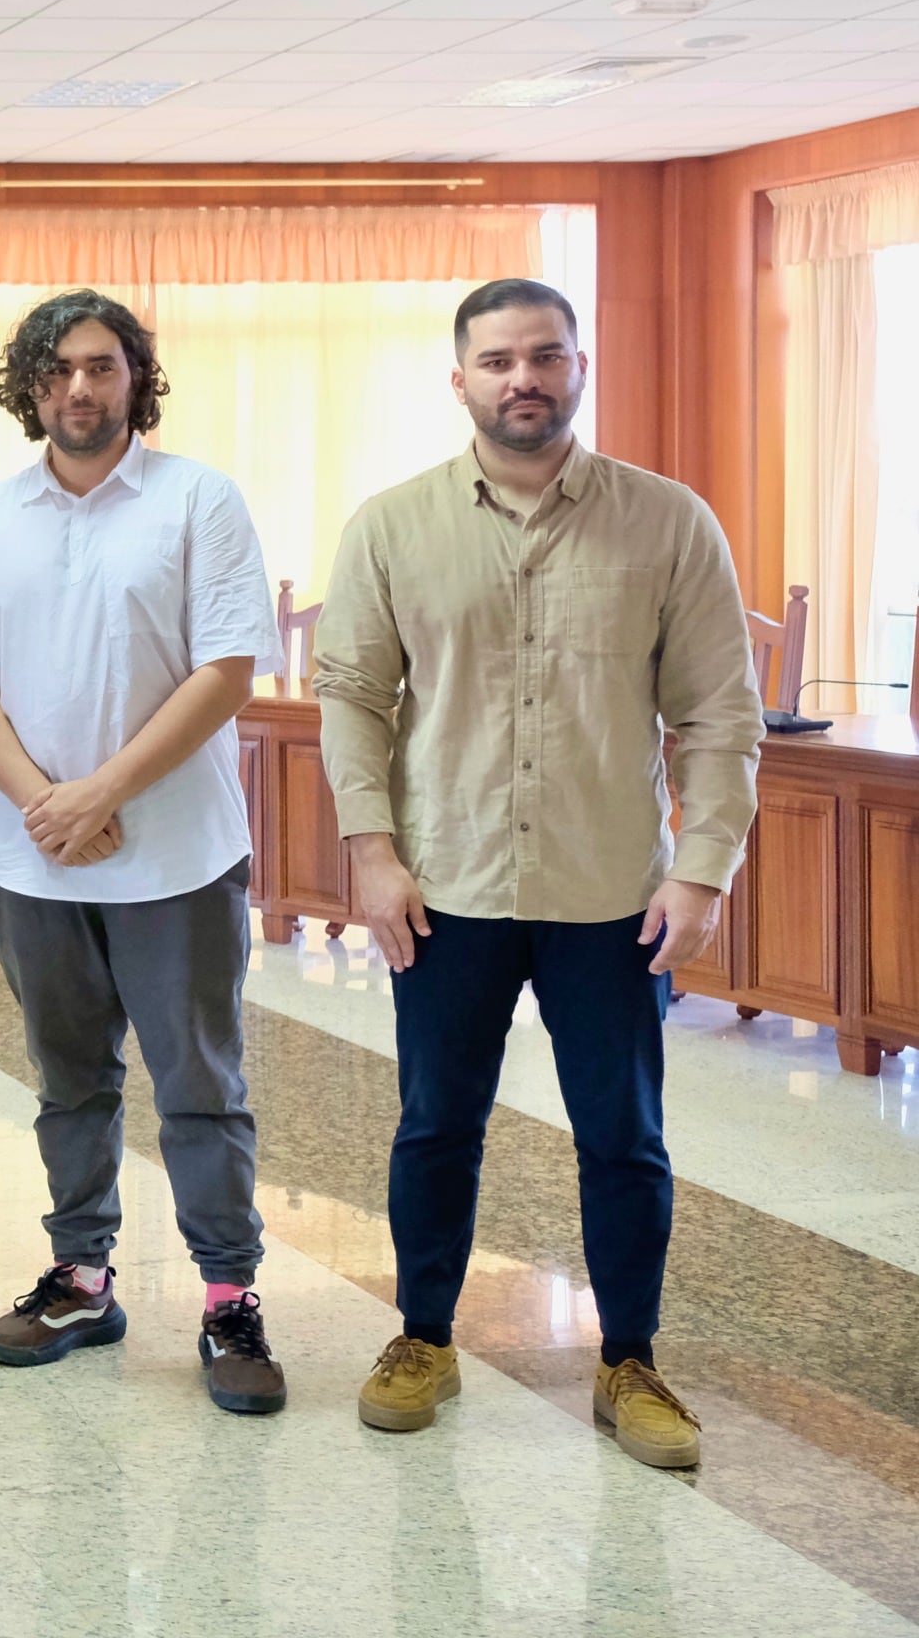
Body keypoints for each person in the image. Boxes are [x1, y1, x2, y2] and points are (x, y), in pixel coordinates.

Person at [318, 277, 759, 1471]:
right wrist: (371, 847)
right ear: (458, 378)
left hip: (610, 894)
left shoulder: (668, 523)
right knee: (434, 1123)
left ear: (580, 366)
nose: (526, 376)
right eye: (500, 358)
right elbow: (353, 694)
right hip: (444, 888)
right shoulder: (393, 524)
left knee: (625, 1133)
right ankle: (422, 1337)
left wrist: (703, 869)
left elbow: (721, 712)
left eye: (547, 355)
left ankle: (631, 1360)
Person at [0, 290, 291, 1416]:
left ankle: (230, 1298)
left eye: (102, 366)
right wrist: (49, 806)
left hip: (174, 857)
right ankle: (82, 1279)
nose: (80, 387)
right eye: (58, 370)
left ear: (136, 378)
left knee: (199, 1087)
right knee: (69, 1081)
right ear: (28, 386)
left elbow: (227, 669)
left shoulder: (197, 500)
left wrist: (105, 791)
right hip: (37, 863)